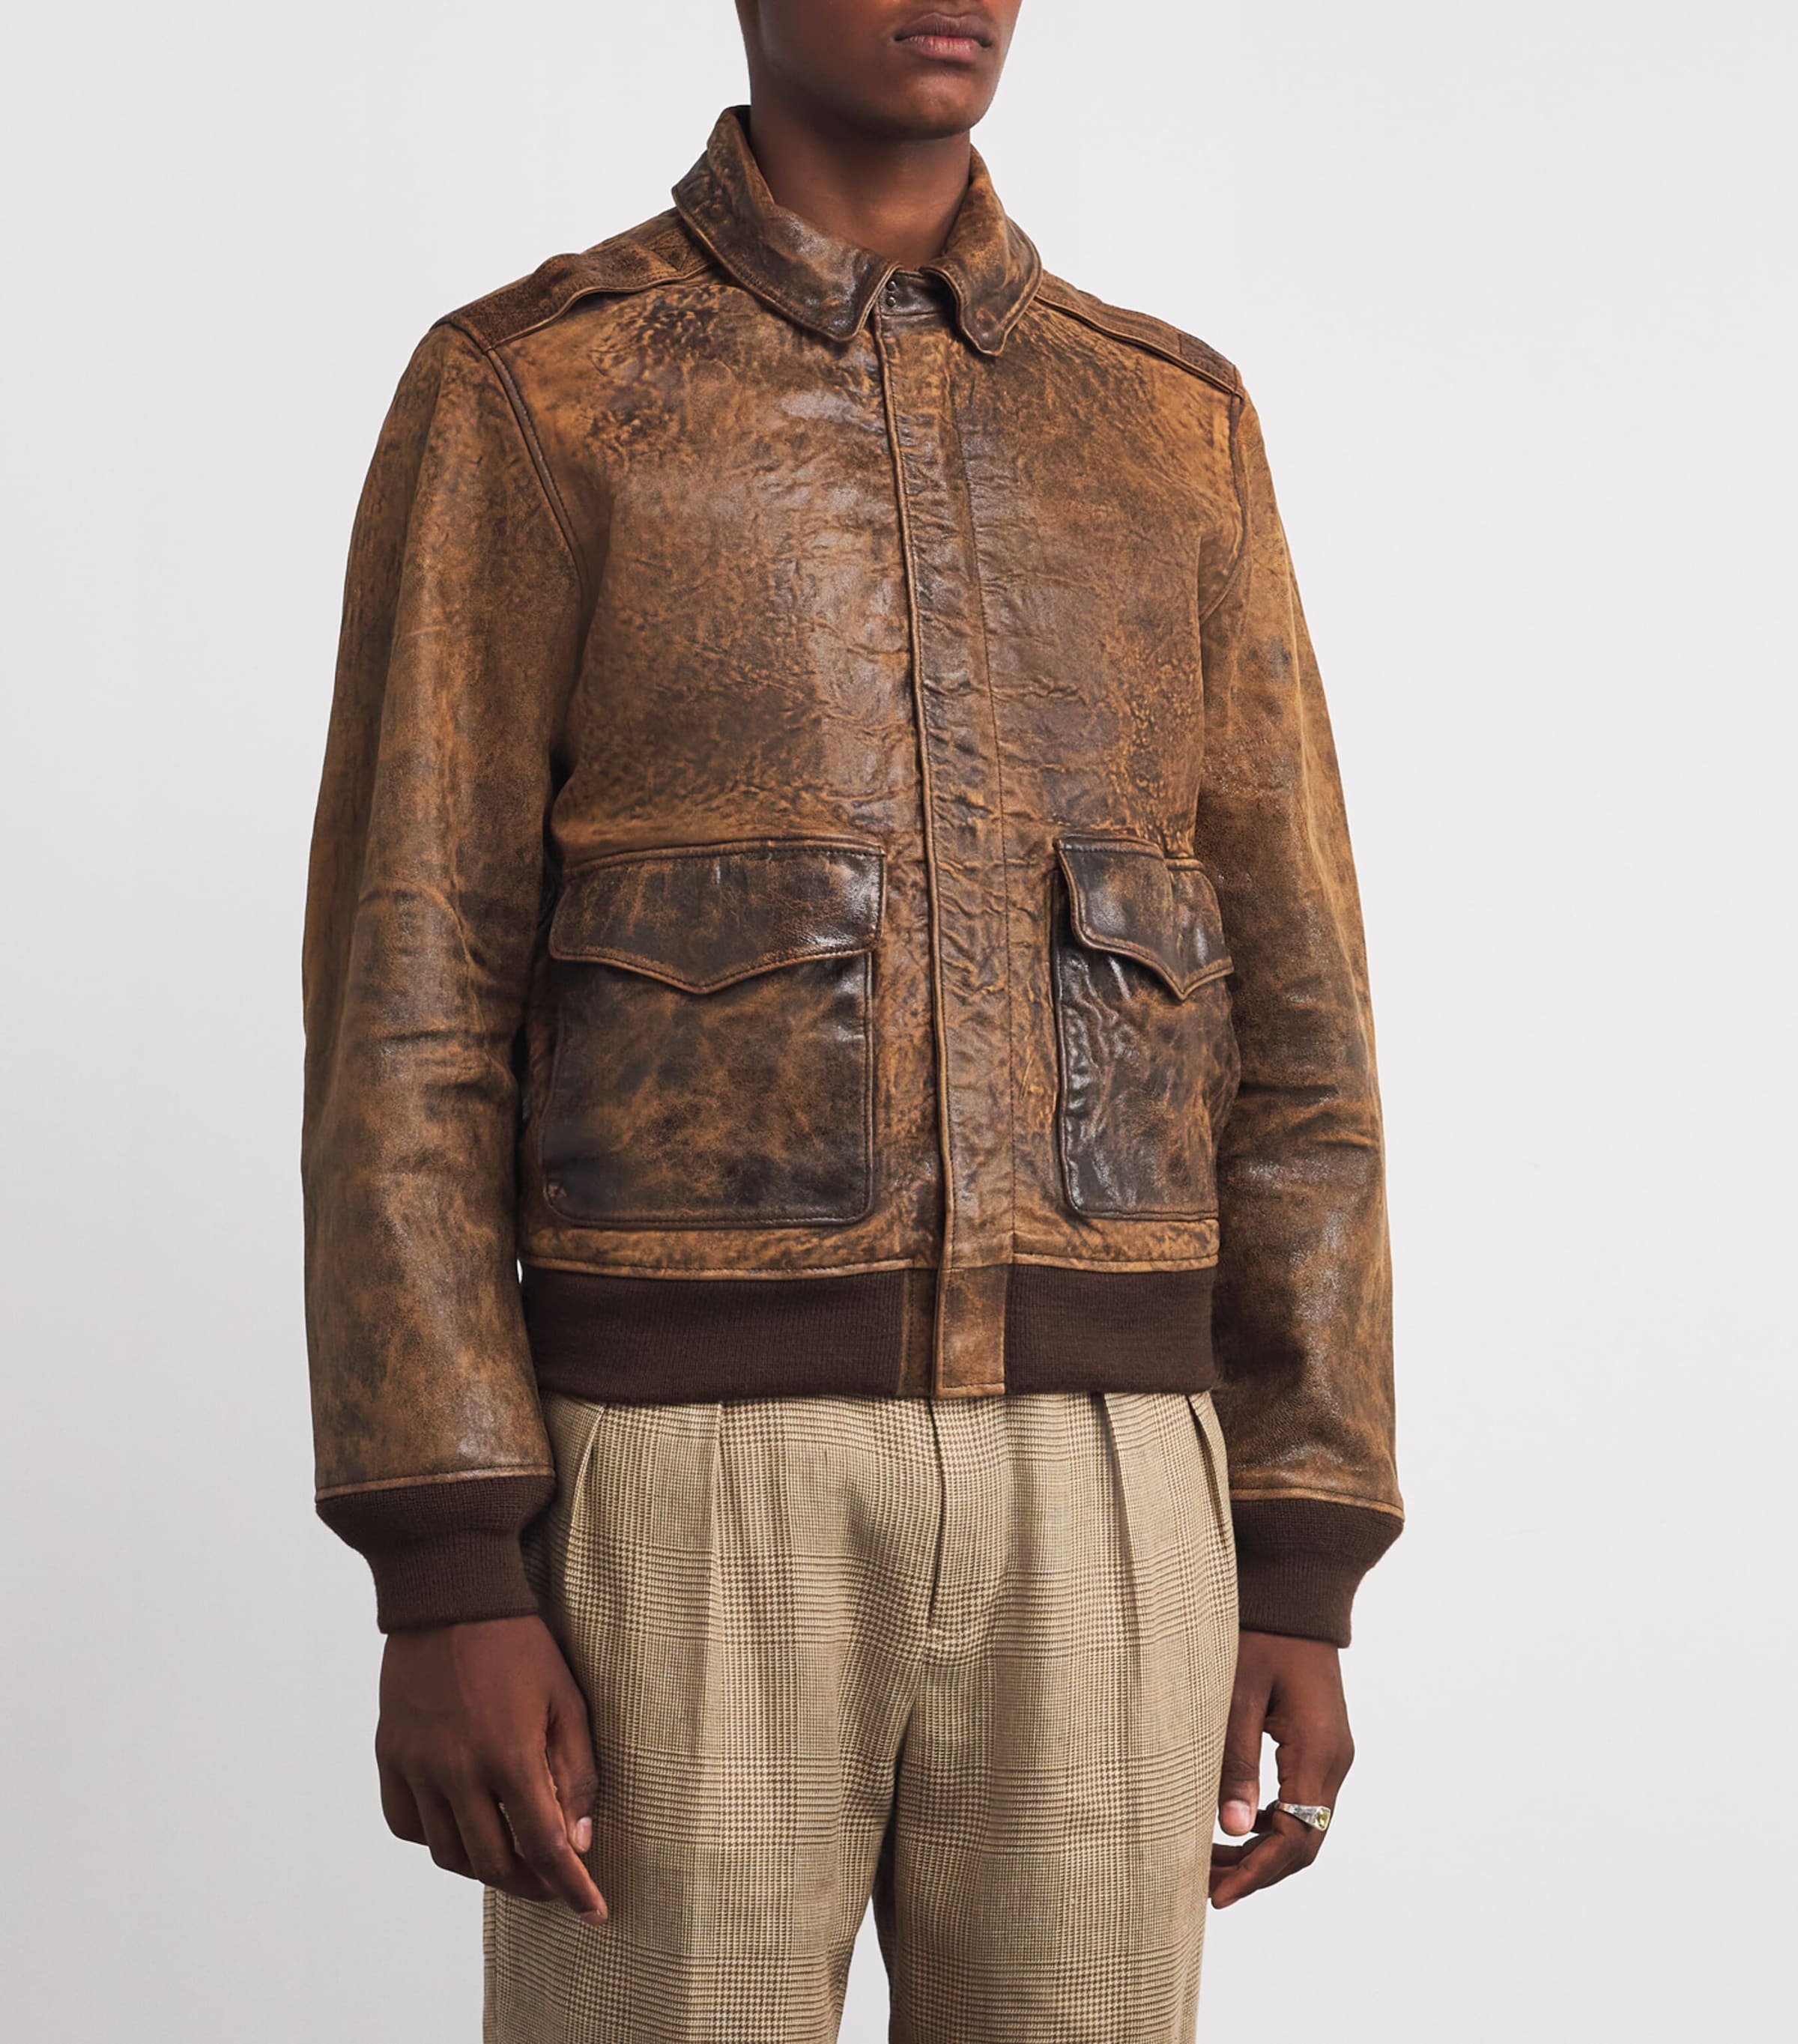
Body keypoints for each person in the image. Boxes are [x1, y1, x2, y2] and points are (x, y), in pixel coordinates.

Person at [300, 2, 1402, 2036]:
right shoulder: (533, 393)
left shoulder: (1171, 425)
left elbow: (1300, 1025)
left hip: (1114, 1488)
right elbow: (411, 998)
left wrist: (1302, 1541)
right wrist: (445, 1559)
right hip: (681, 1481)